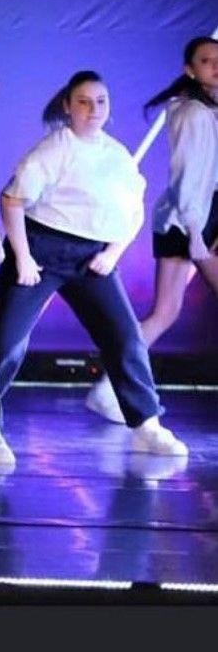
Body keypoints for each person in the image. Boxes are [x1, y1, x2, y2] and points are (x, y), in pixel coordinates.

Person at [0, 70, 187, 456]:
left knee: (124, 336)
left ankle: (147, 423)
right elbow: (12, 200)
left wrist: (111, 254)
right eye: (83, 101)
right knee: (5, 339)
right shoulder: (53, 148)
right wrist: (25, 257)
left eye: (101, 101)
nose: (93, 109)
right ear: (67, 106)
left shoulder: (117, 156)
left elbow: (133, 214)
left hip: (92, 255)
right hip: (41, 247)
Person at [86, 38, 218, 422]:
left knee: (165, 312)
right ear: (189, 70)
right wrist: (196, 232)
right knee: (164, 312)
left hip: (198, 216)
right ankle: (113, 385)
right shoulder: (193, 112)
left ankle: (111, 385)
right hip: (191, 219)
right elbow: (189, 176)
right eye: (206, 61)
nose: (216, 67)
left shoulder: (206, 109)